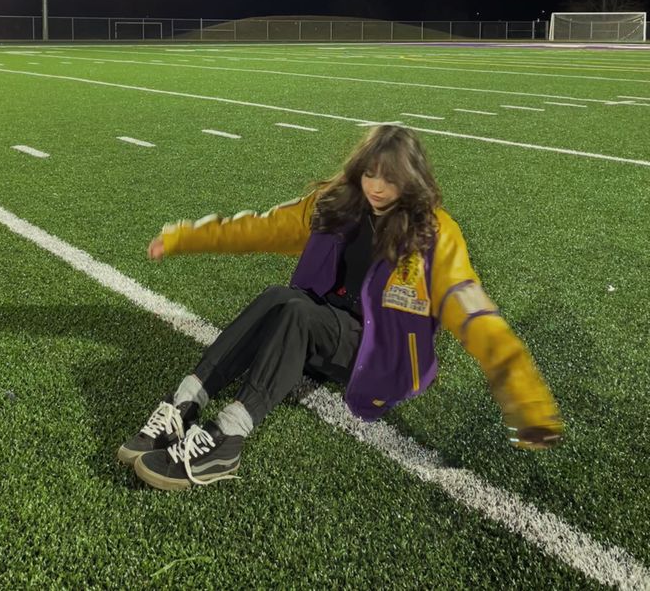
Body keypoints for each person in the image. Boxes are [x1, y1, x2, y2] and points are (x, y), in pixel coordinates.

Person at [119, 124, 563, 490]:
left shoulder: (433, 236)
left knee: (296, 312)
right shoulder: (335, 203)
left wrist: (526, 401)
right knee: (280, 298)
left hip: (376, 357)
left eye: (391, 179)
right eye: (370, 174)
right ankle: (183, 405)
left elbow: (475, 316)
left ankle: (228, 439)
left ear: (413, 179)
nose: (377, 187)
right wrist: (183, 238)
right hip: (319, 338)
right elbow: (259, 228)